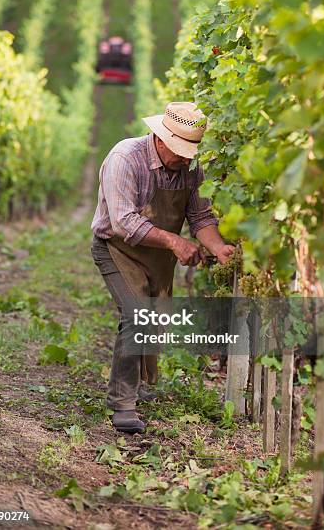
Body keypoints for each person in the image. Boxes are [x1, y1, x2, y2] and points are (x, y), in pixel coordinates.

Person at [90, 101, 235, 433]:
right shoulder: (125, 159)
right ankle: (122, 404)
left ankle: (138, 385)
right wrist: (174, 242)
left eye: (190, 153)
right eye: (181, 150)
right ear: (161, 137)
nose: (186, 159)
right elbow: (124, 222)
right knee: (138, 315)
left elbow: (200, 217)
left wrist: (218, 247)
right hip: (117, 249)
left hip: (157, 255)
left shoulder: (189, 168)